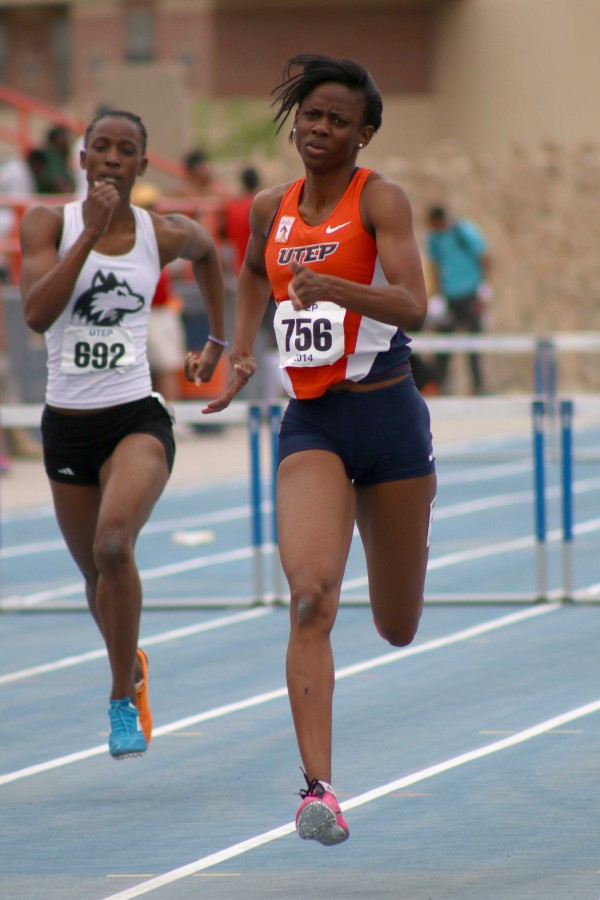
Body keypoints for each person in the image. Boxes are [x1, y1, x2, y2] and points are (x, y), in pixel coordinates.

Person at [188, 54, 437, 846]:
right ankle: (318, 791)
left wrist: (337, 288)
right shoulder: (272, 208)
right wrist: (233, 355)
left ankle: (395, 557)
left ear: (363, 135)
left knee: (397, 626)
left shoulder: (380, 202)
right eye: (311, 115)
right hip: (314, 425)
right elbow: (255, 277)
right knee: (310, 597)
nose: (318, 129)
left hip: (391, 420)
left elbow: (414, 306)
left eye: (337, 120)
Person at [19, 109, 225, 759]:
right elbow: (35, 313)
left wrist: (219, 339)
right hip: (67, 428)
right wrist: (90, 236)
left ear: (142, 164)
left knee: (114, 547)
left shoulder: (161, 234)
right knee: (95, 578)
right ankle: (129, 662)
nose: (111, 158)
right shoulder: (47, 224)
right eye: (100, 148)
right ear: (81, 160)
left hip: (135, 417)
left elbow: (210, 254)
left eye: (126, 150)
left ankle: (118, 699)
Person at [425, 205, 492, 395]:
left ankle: (478, 385)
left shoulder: (463, 231)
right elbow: (435, 267)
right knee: (443, 342)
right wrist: (436, 295)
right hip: (449, 295)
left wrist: (485, 288)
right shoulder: (434, 240)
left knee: (474, 342)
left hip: (469, 292)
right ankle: (441, 384)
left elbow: (484, 256)